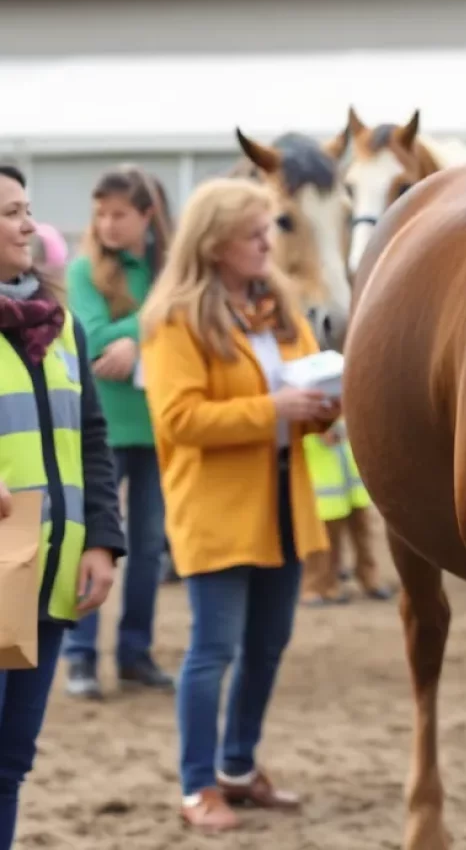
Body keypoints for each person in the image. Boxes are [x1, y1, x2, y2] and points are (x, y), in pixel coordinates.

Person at [139, 176, 336, 833]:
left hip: (283, 497)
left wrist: (322, 407)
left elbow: (310, 373)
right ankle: (198, 785)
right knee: (213, 648)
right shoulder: (174, 320)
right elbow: (179, 419)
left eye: (268, 231)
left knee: (270, 643)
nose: (267, 245)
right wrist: (274, 409)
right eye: (254, 234)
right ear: (215, 242)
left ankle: (238, 766)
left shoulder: (277, 306)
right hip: (217, 506)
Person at [0, 165, 125, 850]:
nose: (28, 225)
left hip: (47, 577)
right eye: (11, 212)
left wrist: (103, 541)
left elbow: (94, 440)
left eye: (27, 209)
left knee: (11, 764)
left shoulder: (62, 325)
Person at [61, 166, 175, 698]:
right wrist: (149, 326)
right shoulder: (85, 271)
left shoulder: (168, 268)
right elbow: (94, 340)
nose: (107, 224)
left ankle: (136, 654)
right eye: (100, 213)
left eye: (119, 214)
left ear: (147, 216)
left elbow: (185, 325)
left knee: (149, 547)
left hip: (157, 428)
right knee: (91, 541)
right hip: (102, 428)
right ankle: (80, 656)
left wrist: (136, 341)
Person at [300, 420, 391, 604]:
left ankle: (368, 577)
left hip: (351, 480)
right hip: (325, 484)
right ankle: (318, 587)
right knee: (326, 540)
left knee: (363, 534)